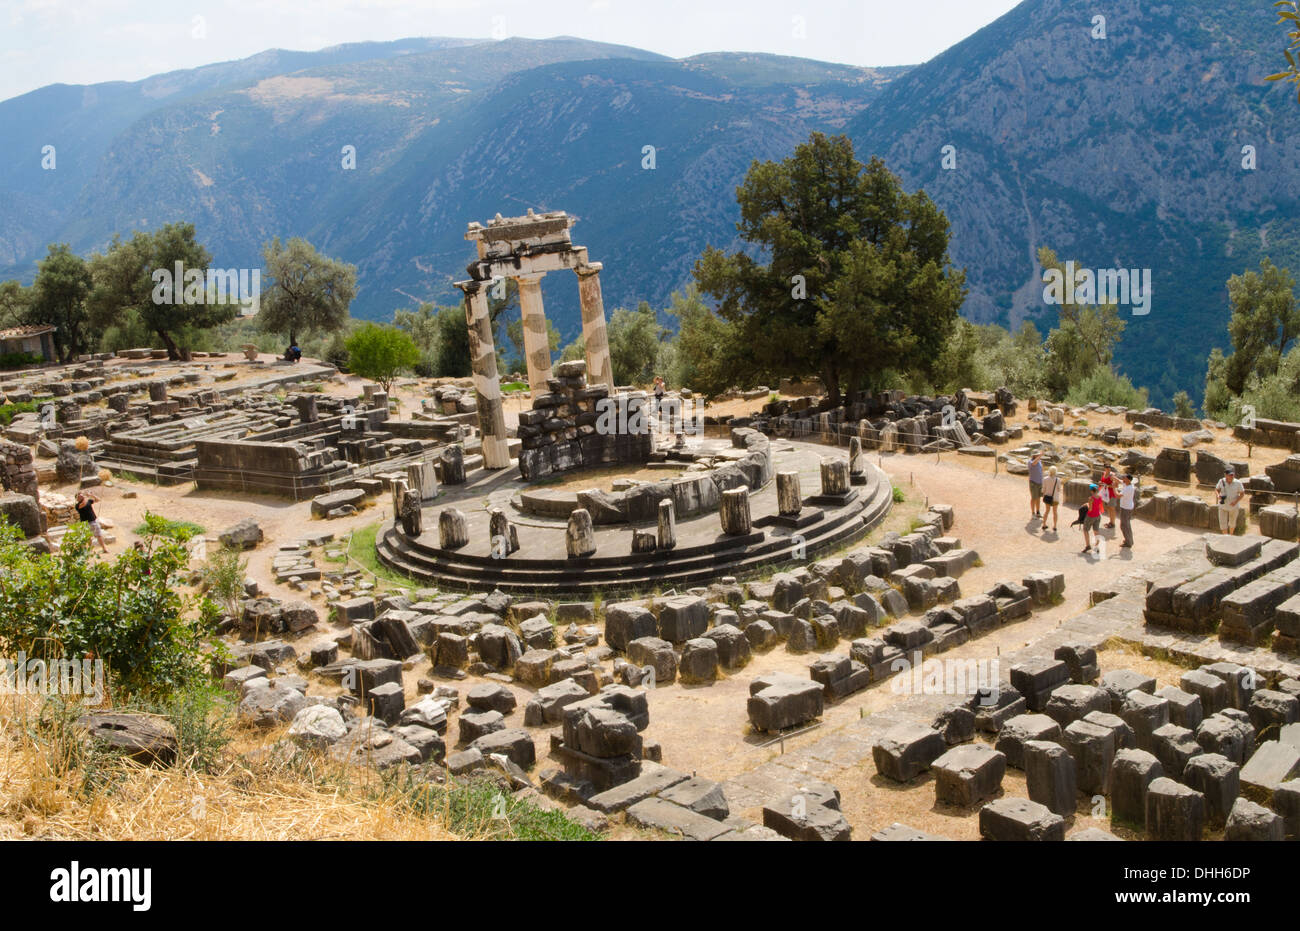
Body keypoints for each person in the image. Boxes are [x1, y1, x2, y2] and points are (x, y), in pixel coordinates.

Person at [1214, 468, 1247, 535]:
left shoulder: (1238, 483)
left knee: (1232, 522)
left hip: (1233, 506)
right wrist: (1218, 496)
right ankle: (1225, 536)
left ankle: (1231, 535)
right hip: (1223, 506)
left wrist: (1235, 502)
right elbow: (1216, 489)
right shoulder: (1221, 481)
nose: (1232, 476)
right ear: (1225, 475)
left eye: (1232, 475)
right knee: (1222, 523)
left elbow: (1242, 493)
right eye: (1230, 475)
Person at [1082, 483, 1104, 554]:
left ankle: (1088, 545)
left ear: (1091, 491)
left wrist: (1087, 504)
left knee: (1085, 530)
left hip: (1091, 516)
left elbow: (1090, 509)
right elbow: (1099, 506)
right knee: (1096, 531)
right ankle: (1097, 546)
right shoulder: (1099, 497)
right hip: (1097, 516)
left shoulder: (1091, 498)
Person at [1118, 473, 1138, 549]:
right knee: (1126, 525)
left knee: (1124, 526)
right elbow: (1120, 481)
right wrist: (1113, 477)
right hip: (1127, 507)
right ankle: (1129, 540)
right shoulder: (1128, 484)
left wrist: (1113, 488)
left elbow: (1118, 496)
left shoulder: (1128, 488)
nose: (1123, 479)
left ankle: (1128, 542)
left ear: (1128, 480)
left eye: (1125, 478)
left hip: (1125, 508)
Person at [1040, 466, 1062, 533]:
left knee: (1047, 511)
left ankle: (1044, 524)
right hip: (1055, 498)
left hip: (1047, 497)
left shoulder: (1045, 479)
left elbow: (1043, 489)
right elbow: (1059, 489)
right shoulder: (1058, 480)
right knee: (1055, 512)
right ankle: (1055, 526)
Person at [1098, 465, 1119, 529]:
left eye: (1109, 468)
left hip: (1111, 494)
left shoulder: (1112, 476)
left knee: (1112, 508)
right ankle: (1110, 522)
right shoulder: (1104, 474)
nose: (1108, 469)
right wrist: (1101, 483)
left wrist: (1108, 486)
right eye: (1107, 468)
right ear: (1105, 468)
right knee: (1108, 508)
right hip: (1106, 494)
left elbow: (1116, 485)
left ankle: (1113, 523)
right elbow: (1102, 481)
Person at [1028, 450, 1045, 521]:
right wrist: (1040, 455)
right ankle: (1033, 513)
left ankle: (1038, 512)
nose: (1039, 456)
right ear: (1034, 455)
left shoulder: (1039, 462)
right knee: (1033, 498)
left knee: (1038, 498)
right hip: (1033, 483)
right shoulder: (1030, 462)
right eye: (1037, 455)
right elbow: (1034, 463)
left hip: (1040, 482)